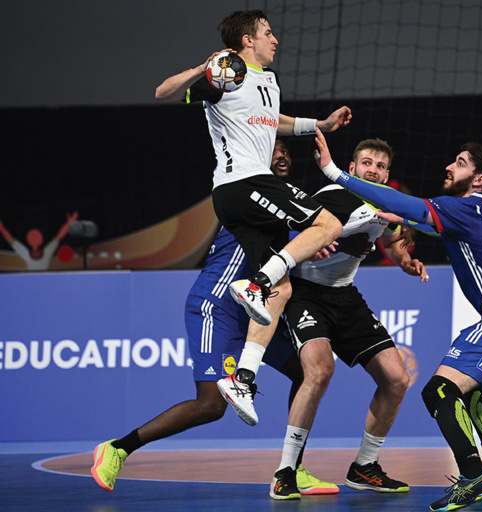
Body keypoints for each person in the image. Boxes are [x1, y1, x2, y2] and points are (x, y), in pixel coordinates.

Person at [313, 129, 482, 512]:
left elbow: (408, 203)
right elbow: (439, 226)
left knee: (438, 391)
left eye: (460, 163)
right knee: (471, 389)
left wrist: (336, 173)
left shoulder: (461, 207)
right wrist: (405, 219)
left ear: (478, 179)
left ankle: (472, 476)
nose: (449, 166)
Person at [155, 9, 350, 425]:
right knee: (329, 224)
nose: (274, 39)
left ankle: (243, 380)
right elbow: (163, 91)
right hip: (243, 182)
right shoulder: (228, 73)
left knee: (281, 289)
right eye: (267, 33)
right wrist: (202, 68)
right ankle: (255, 283)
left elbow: (271, 121)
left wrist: (321, 124)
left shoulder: (268, 80)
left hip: (244, 192)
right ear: (247, 40)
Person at [89, 225, 339, 495]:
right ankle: (118, 448)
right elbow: (297, 239)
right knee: (211, 405)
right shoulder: (250, 208)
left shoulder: (290, 213)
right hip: (218, 309)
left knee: (307, 372)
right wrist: (316, 240)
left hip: (256, 311)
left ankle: (292, 469)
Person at [269, 139, 429, 500]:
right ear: (352, 168)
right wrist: (317, 242)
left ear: (386, 175)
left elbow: (391, 240)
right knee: (320, 371)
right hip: (305, 294)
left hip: (345, 296)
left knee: (397, 379)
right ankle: (285, 471)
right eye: (366, 163)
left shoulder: (386, 204)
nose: (373, 170)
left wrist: (405, 261)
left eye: (380, 166)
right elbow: (290, 228)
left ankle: (364, 467)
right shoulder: (333, 196)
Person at [0, 212, 78, 270]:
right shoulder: (26, 253)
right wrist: (2, 229)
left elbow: (59, 236)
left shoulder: (47, 252)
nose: (35, 239)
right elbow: (10, 240)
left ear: (41, 240)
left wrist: (69, 223)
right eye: (32, 238)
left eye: (37, 237)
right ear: (29, 241)